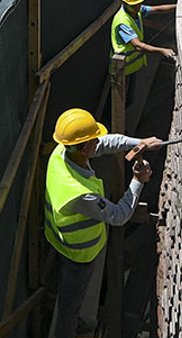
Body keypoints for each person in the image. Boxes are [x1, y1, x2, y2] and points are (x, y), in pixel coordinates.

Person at [45, 108, 163, 338]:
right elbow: (118, 216)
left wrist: (139, 142)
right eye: (93, 140)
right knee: (70, 304)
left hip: (60, 239)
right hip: (78, 254)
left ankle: (73, 320)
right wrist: (138, 181)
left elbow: (106, 143)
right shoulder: (80, 193)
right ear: (85, 147)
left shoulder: (63, 150)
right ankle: (69, 329)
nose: (98, 141)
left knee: (70, 293)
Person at [111, 0, 176, 102]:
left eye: (139, 3)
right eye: (134, 5)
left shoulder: (136, 10)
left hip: (131, 65)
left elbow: (157, 9)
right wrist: (162, 51)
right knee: (121, 102)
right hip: (122, 69)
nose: (138, 7)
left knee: (129, 100)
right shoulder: (123, 22)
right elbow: (138, 46)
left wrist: (178, 6)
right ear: (124, 3)